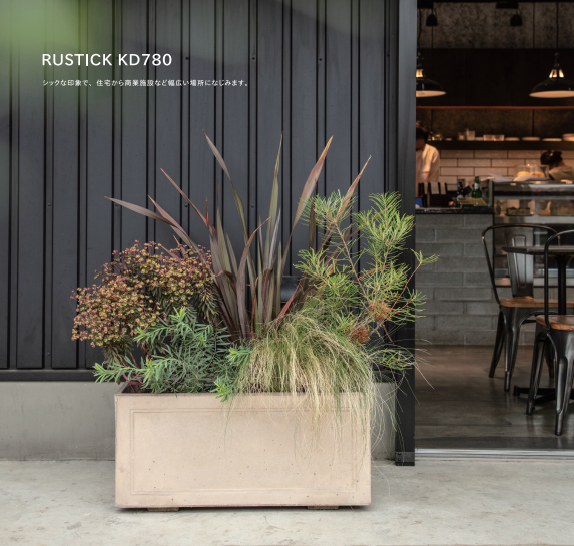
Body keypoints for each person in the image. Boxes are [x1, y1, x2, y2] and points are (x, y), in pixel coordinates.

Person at [416, 123, 440, 196]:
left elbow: (433, 183)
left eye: (420, 149)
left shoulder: (432, 152)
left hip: (422, 198)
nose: (417, 152)